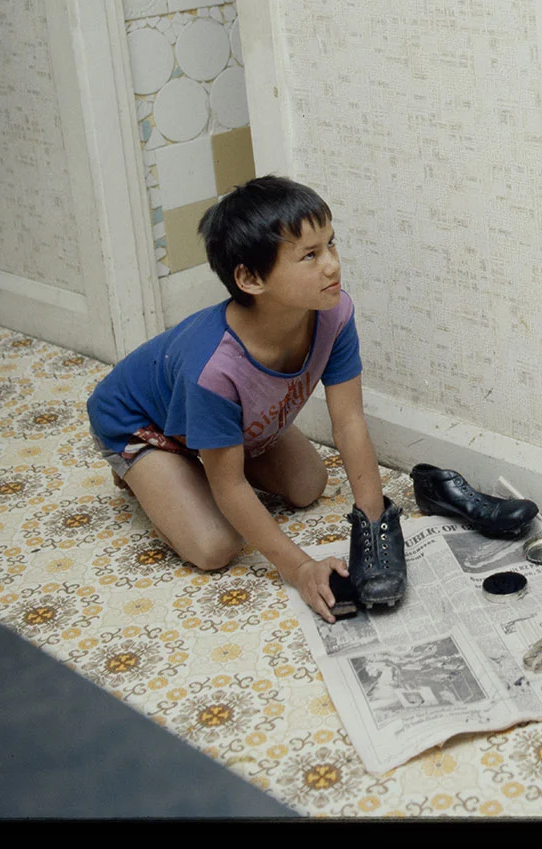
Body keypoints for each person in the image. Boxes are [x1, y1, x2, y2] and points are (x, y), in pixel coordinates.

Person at [86, 175, 407, 622]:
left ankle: (205, 455)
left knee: (306, 485)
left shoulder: (334, 313)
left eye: (331, 244)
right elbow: (231, 486)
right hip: (140, 422)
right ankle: (142, 473)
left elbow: (349, 421)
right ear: (251, 278)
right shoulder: (214, 370)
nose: (332, 265)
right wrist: (300, 568)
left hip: (224, 420)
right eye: (309, 256)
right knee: (216, 546)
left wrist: (373, 523)